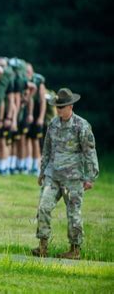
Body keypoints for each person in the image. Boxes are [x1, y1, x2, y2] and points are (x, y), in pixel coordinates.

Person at [32, 88, 98, 260]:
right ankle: (43, 246)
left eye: (62, 107)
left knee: (73, 213)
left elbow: (89, 152)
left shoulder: (81, 126)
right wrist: (42, 172)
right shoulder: (53, 124)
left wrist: (90, 176)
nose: (59, 110)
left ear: (71, 106)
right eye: (57, 107)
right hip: (52, 175)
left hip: (73, 178)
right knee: (44, 207)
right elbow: (46, 150)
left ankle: (74, 249)